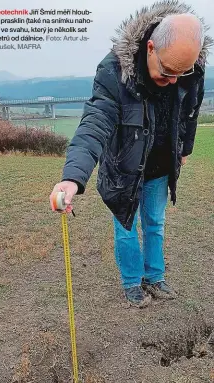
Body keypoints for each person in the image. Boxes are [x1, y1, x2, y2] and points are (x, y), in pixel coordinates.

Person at [50, 1, 213, 308]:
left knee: (156, 223)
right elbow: (95, 123)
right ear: (150, 48)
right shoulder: (114, 72)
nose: (174, 81)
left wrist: (185, 149)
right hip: (124, 169)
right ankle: (131, 283)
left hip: (161, 165)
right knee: (126, 227)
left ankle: (155, 277)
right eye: (166, 72)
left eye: (183, 72)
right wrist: (73, 177)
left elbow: (190, 113)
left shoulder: (190, 69)